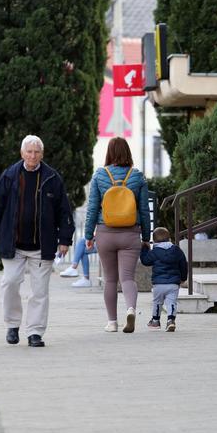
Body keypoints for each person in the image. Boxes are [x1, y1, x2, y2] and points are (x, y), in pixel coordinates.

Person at [0, 135, 74, 348]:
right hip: (13, 244)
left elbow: (64, 211)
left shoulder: (52, 178)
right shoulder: (10, 176)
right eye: (29, 152)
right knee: (10, 283)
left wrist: (64, 239)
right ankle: (12, 325)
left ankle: (35, 332)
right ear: (22, 153)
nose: (33, 156)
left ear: (42, 154)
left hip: (42, 247)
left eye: (36, 152)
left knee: (39, 291)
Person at [84, 137, 151, 334]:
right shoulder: (137, 176)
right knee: (128, 278)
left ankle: (112, 322)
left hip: (105, 233)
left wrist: (88, 235)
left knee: (110, 279)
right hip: (130, 234)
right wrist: (146, 237)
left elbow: (92, 208)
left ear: (109, 153)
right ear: (127, 152)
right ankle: (130, 309)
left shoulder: (99, 175)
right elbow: (144, 211)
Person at [139, 227, 188, 332]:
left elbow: (145, 261)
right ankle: (171, 321)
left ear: (154, 241)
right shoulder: (176, 250)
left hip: (158, 284)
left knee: (157, 302)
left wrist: (144, 249)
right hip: (173, 284)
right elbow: (183, 264)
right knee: (171, 302)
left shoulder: (155, 252)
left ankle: (155, 321)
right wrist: (183, 278)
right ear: (169, 238)